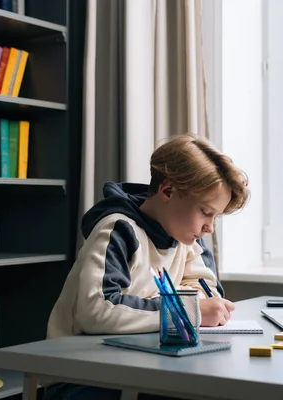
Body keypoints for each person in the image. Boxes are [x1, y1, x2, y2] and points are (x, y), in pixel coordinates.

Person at [44, 133, 249, 400]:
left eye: (216, 217)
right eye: (205, 212)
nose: (210, 227)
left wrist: (170, 307)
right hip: (81, 374)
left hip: (141, 364)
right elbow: (96, 311)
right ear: (167, 191)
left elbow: (210, 298)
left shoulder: (186, 237)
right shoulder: (118, 229)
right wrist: (185, 310)